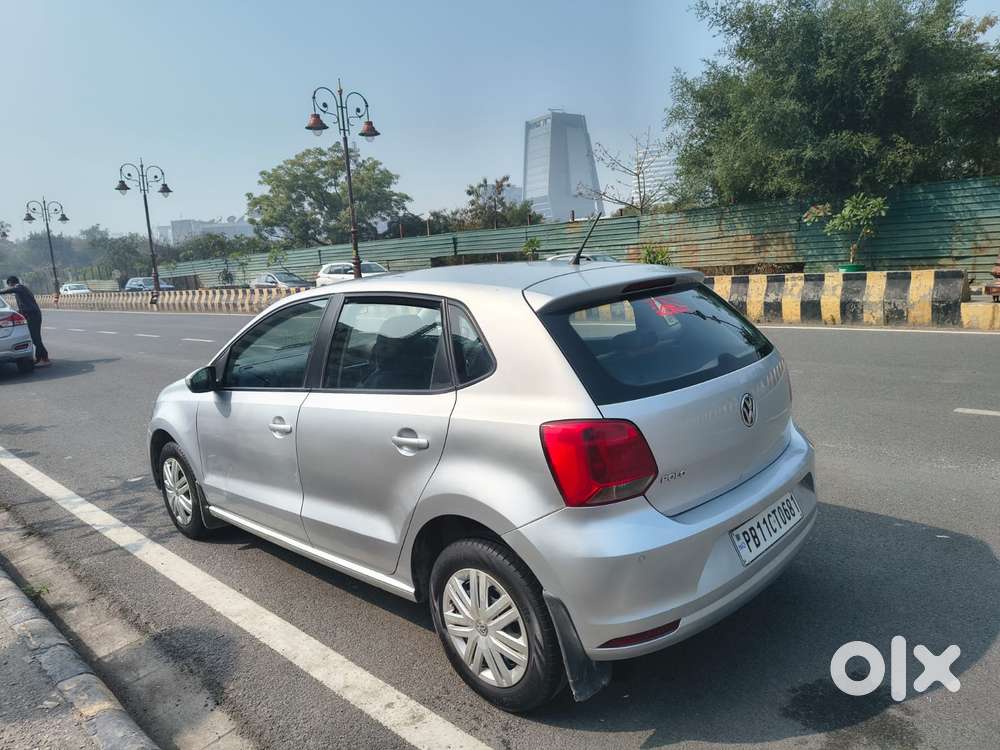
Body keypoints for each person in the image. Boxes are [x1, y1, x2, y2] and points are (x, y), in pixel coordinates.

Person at [1, 276, 51, 367]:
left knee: (36, 338)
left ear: (11, 283)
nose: (9, 287)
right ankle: (40, 358)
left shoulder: (20, 288)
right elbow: (23, 306)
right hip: (31, 314)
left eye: (9, 285)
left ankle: (44, 359)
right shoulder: (21, 290)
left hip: (32, 316)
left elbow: (12, 290)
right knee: (35, 337)